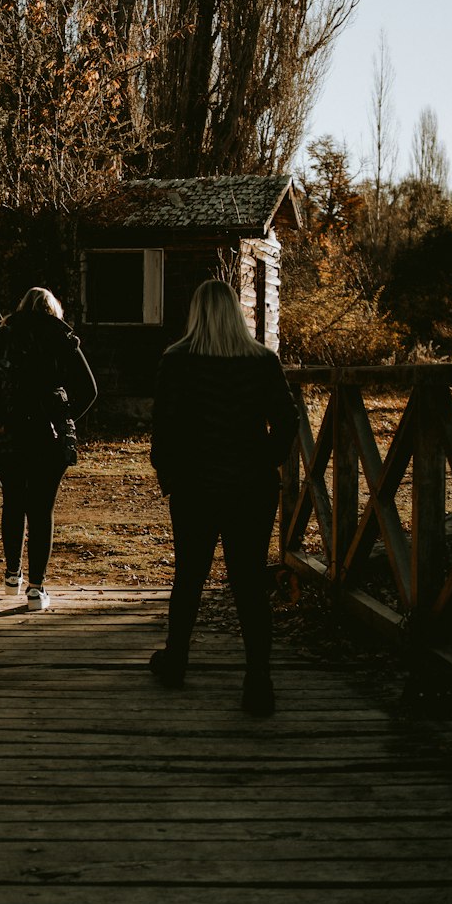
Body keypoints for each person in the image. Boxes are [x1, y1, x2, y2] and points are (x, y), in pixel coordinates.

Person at [149, 279, 299, 715]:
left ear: (196, 313)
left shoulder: (177, 361)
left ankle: (176, 661)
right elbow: (287, 421)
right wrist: (264, 460)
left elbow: (164, 428)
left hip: (195, 486)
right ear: (237, 312)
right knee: (249, 582)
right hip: (251, 488)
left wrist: (171, 474)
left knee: (189, 576)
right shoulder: (261, 361)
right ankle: (258, 680)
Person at [0, 286, 97, 609]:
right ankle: (36, 587)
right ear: (54, 310)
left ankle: (11, 575)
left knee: (14, 501)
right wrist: (65, 416)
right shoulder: (61, 338)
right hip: (49, 434)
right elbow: (89, 388)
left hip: (9, 429)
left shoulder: (5, 336)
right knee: (41, 509)